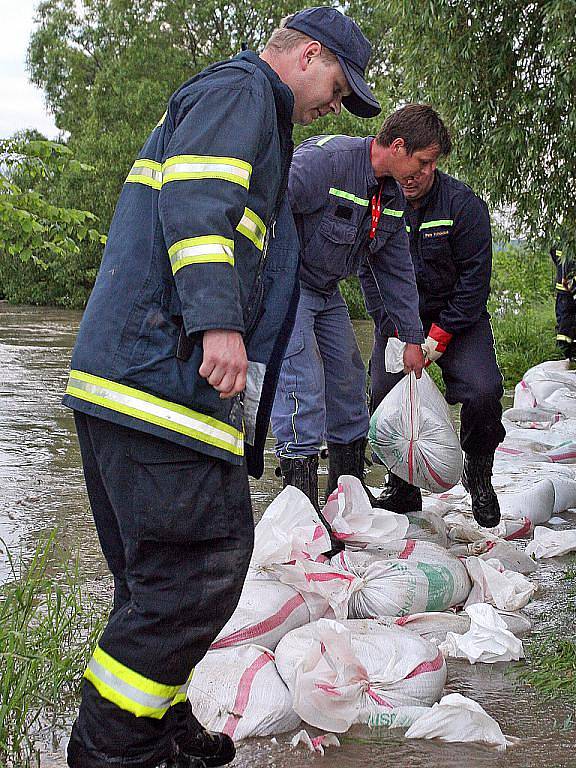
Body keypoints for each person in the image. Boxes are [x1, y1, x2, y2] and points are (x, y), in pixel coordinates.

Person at [62, 8, 380, 768]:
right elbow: (198, 204)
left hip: (142, 380)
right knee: (197, 572)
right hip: (159, 380)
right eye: (339, 86)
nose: (335, 105)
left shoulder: (251, 112)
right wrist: (218, 323)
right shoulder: (243, 95)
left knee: (160, 582)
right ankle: (110, 750)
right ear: (308, 55)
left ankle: (152, 723)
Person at [271, 105, 454, 513]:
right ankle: (301, 504)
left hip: (325, 288)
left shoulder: (389, 195)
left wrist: (412, 338)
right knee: (302, 382)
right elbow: (265, 207)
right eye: (423, 162)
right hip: (288, 285)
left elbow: (396, 270)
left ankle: (346, 492)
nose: (426, 173)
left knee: (350, 378)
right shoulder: (325, 163)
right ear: (400, 147)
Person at [364, 106, 506, 528]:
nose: (415, 174)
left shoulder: (463, 207)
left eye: (428, 165)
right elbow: (367, 270)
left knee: (484, 391)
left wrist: (436, 340)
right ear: (397, 151)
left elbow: (473, 285)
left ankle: (478, 476)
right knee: (382, 398)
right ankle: (402, 486)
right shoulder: (377, 204)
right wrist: (396, 330)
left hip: (457, 321)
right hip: (398, 322)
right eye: (415, 163)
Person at [550, 247, 576, 361]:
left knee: (566, 321)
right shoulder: (566, 242)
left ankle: (568, 352)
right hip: (567, 289)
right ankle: (563, 352)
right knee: (566, 323)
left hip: (566, 289)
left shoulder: (562, 241)